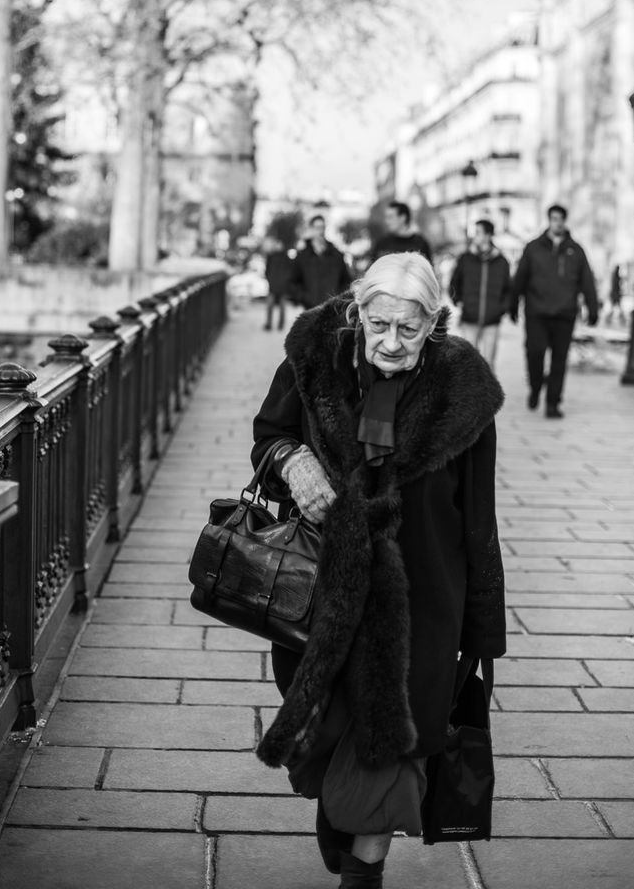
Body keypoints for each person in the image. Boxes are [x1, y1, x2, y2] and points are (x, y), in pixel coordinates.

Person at [251, 252, 506, 888]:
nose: (393, 343)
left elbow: (479, 518)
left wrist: (479, 635)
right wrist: (295, 463)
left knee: (395, 738)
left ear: (434, 321)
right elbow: (267, 435)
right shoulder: (314, 360)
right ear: (357, 313)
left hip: (422, 601)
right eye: (380, 325)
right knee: (327, 728)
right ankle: (341, 814)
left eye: (410, 329)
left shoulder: (463, 389)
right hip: (321, 591)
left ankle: (364, 874)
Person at [510, 204, 599, 419]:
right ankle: (536, 385)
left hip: (564, 314)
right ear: (548, 220)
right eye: (553, 219)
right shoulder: (533, 248)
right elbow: (520, 278)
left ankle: (553, 403)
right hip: (536, 312)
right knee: (535, 353)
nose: (557, 223)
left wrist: (592, 308)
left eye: (560, 219)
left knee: (559, 361)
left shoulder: (576, 250)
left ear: (564, 221)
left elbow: (587, 281)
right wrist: (512, 304)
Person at [448, 218, 512, 368]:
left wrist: (501, 308)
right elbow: (453, 283)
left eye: (478, 232)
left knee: (489, 365)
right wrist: (457, 300)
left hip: (492, 321)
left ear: (488, 235)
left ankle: (487, 392)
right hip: (469, 319)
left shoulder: (501, 261)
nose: (474, 236)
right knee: (469, 363)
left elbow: (508, 289)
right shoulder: (465, 259)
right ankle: (469, 392)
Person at [288, 214, 352, 308]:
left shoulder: (336, 255)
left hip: (332, 310)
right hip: (310, 310)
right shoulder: (302, 256)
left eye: (322, 227)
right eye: (317, 227)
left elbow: (346, 280)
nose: (320, 231)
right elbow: (293, 282)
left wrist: (338, 299)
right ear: (311, 229)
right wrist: (304, 298)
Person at [263, 237, 292, 331]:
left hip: (282, 286)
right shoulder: (271, 256)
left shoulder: (285, 257)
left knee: (281, 307)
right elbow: (267, 270)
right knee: (270, 306)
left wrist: (286, 280)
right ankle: (270, 324)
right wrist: (270, 280)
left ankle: (279, 324)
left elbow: (290, 271)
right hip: (274, 285)